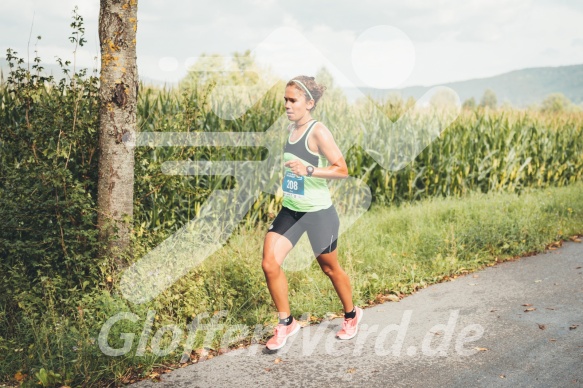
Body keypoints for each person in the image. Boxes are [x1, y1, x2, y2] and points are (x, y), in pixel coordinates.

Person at [262, 75, 363, 351]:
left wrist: (308, 170)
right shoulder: (291, 129)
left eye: (292, 100)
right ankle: (286, 323)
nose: (286, 104)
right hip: (292, 211)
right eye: (285, 99)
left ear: (309, 103)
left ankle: (352, 314)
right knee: (270, 264)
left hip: (319, 214)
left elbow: (341, 169)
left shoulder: (318, 131)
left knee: (330, 268)